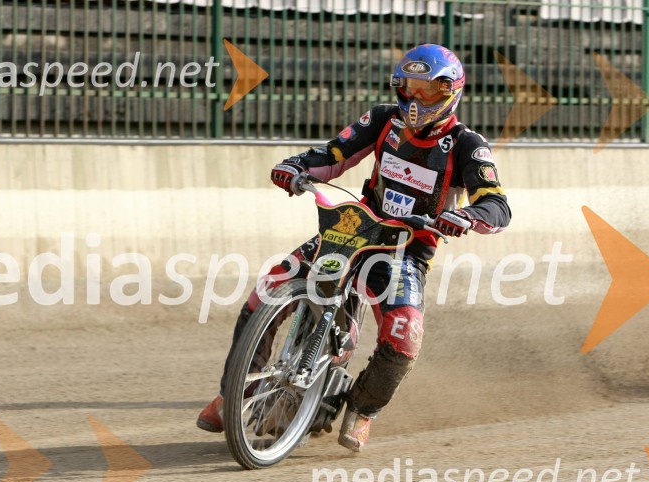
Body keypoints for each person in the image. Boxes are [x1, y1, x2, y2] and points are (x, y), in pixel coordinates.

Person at [197, 44, 511, 451]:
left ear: (451, 92)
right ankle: (232, 394)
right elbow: (335, 154)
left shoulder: (468, 145)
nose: (417, 100)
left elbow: (497, 205)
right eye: (410, 88)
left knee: (405, 337)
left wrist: (467, 216)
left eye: (429, 90)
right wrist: (297, 166)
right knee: (267, 290)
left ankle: (362, 410)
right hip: (354, 228)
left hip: (405, 250)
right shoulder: (382, 119)